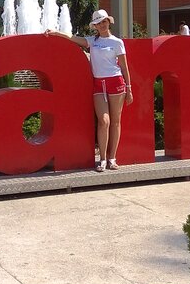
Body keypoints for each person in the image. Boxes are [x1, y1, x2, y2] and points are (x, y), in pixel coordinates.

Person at [45, 9, 133, 172]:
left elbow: (124, 67)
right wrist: (56, 32)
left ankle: (112, 158)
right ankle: (103, 160)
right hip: (99, 84)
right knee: (103, 121)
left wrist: (129, 88)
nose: (102, 25)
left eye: (104, 21)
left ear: (109, 22)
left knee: (115, 121)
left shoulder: (117, 42)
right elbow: (72, 38)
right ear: (95, 26)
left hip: (116, 83)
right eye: (98, 23)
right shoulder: (92, 41)